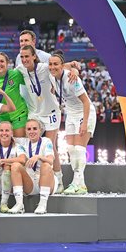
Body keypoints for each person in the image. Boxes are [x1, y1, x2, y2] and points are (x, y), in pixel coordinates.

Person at [18, 45, 66, 193]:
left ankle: (59, 180)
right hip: (34, 113)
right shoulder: (20, 69)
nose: (25, 59)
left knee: (51, 145)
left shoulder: (45, 67)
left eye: (27, 56)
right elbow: (4, 73)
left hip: (51, 112)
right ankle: (32, 176)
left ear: (34, 56)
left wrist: (75, 70)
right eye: (22, 56)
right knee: (30, 144)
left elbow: (64, 67)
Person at [49, 53, 96, 195]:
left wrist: (85, 123)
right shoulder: (52, 77)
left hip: (84, 113)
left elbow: (86, 102)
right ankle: (81, 185)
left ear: (62, 66)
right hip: (70, 114)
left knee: (80, 149)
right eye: (50, 64)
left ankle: (76, 182)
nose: (52, 67)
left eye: (56, 64)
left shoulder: (72, 78)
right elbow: (68, 65)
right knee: (71, 149)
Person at [8, 119, 57, 215]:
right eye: (29, 129)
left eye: (35, 128)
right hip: (29, 182)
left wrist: (38, 157)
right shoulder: (22, 142)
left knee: (46, 165)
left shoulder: (46, 141)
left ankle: (43, 204)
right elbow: (3, 136)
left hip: (46, 181)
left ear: (40, 130)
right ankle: (19, 204)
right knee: (15, 166)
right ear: (25, 131)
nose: (32, 131)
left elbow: (51, 161)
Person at [0, 52, 28, 137]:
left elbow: (30, 80)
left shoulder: (16, 74)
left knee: (19, 143)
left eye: (2, 61)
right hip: (1, 115)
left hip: (18, 113)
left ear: (7, 63)